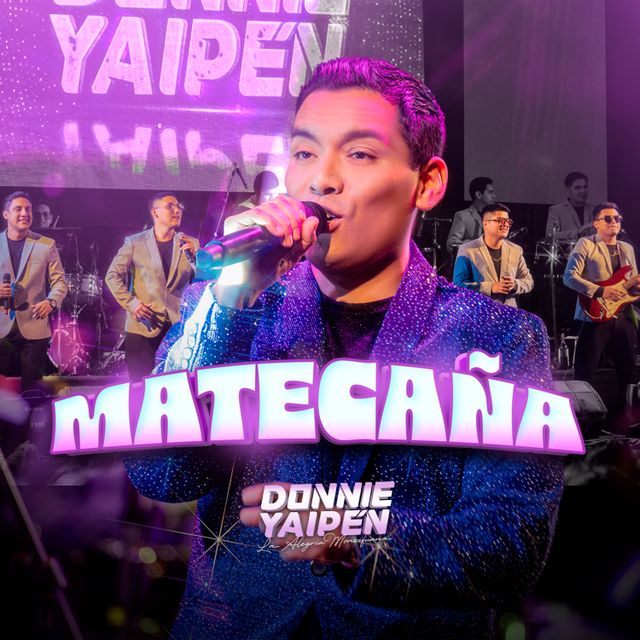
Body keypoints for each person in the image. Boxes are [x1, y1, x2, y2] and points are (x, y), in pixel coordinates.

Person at [125, 58, 562, 639]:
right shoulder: (228, 310)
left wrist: (350, 533)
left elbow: (512, 541)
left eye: (358, 154)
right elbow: (160, 476)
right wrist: (230, 302)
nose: (320, 180)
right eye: (304, 152)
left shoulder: (495, 336)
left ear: (427, 183)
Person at [105, 192, 199, 382]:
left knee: (175, 386)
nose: (177, 210)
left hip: (177, 328)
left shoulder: (190, 243)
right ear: (155, 213)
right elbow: (112, 276)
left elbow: (203, 281)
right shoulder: (135, 242)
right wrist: (132, 304)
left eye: (179, 206)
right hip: (143, 326)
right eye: (170, 206)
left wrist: (198, 257)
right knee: (141, 387)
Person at [563, 202, 639, 416]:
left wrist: (635, 289)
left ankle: (628, 419)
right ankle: (580, 420)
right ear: (596, 223)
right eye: (608, 218)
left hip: (622, 316)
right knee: (585, 372)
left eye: (617, 218)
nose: (613, 221)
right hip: (594, 315)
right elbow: (569, 277)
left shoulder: (627, 248)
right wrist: (600, 291)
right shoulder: (586, 244)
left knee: (628, 372)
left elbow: (631, 284)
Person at [0, 191, 68, 392]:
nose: (24, 213)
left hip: (34, 326)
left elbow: (60, 283)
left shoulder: (45, 245)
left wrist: (51, 302)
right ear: (5, 214)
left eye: (28, 209)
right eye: (18, 209)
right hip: (1, 328)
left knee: (31, 392)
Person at [453, 203, 533, 307]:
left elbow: (528, 281)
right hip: (480, 312)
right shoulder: (467, 250)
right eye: (500, 220)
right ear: (485, 224)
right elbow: (458, 285)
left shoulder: (516, 250)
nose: (505, 224)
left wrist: (515, 285)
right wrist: (491, 287)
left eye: (507, 221)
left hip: (509, 312)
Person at [445, 176, 496, 253]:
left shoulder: (496, 217)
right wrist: (475, 244)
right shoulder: (462, 216)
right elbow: (451, 245)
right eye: (490, 192)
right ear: (478, 195)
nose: (494, 196)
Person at [545, 171, 594, 241]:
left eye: (585, 187)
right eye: (577, 188)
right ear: (568, 189)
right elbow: (550, 235)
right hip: (567, 248)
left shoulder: (594, 210)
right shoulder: (556, 210)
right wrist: (577, 233)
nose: (583, 191)